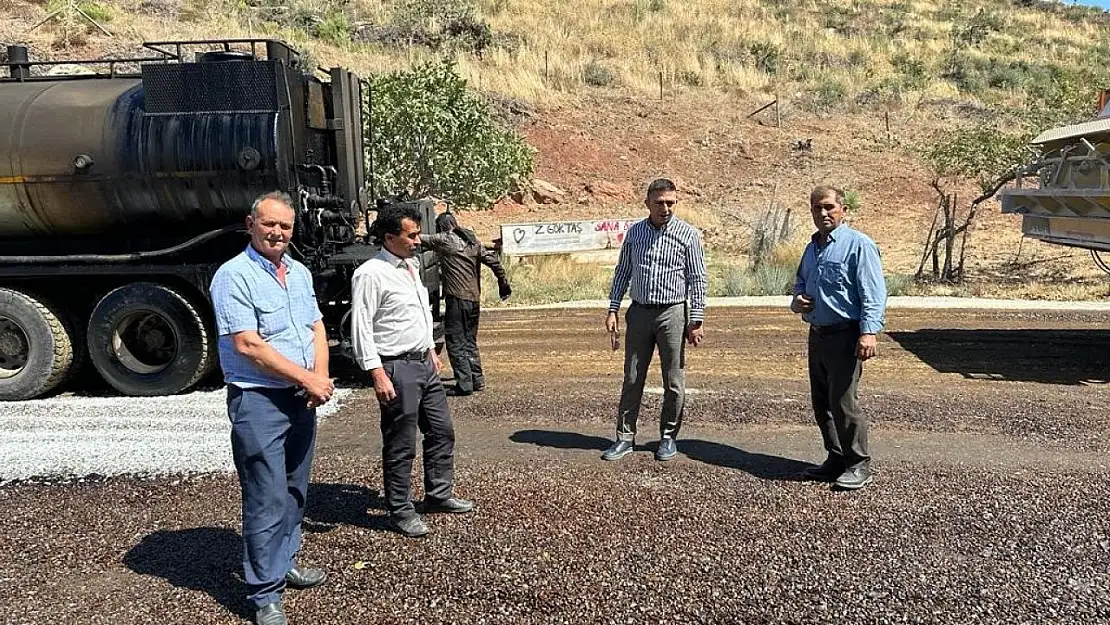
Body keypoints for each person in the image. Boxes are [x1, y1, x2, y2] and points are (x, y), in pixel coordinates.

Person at [209, 191, 334, 625]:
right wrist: (307, 379)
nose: (277, 233)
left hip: (302, 397)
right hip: (259, 398)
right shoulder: (234, 275)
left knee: (296, 489)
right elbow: (247, 345)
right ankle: (264, 594)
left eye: (285, 227)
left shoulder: (298, 272)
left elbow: (316, 325)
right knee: (265, 495)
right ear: (251, 224)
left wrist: (318, 375)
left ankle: (285, 561)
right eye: (269, 225)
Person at [349, 203, 473, 539]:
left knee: (441, 430)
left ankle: (438, 494)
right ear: (390, 237)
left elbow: (418, 312)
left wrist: (431, 350)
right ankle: (400, 509)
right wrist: (376, 373)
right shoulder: (370, 274)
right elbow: (361, 327)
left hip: (423, 362)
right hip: (395, 366)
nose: (419, 241)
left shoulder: (411, 265)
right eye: (412, 235)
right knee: (401, 442)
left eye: (418, 234)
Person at [601, 178, 708, 462]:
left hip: (673, 313)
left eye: (670, 203)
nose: (665, 208)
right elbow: (622, 272)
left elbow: (697, 279)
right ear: (647, 202)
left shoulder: (688, 235)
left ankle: (668, 437)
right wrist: (613, 309)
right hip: (639, 312)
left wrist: (696, 319)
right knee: (633, 377)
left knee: (674, 380)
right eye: (659, 202)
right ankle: (624, 437)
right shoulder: (635, 234)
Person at [790, 185, 887, 491]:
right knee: (822, 402)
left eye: (829, 207)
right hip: (818, 334)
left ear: (843, 209)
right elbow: (801, 281)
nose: (823, 213)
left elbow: (873, 292)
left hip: (846, 336)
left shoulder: (859, 245)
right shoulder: (812, 248)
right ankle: (836, 458)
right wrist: (797, 301)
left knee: (844, 402)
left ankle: (858, 463)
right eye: (817, 208)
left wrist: (868, 332)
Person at [421, 210, 512, 396]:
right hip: (474, 300)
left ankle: (464, 384)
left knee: (455, 341)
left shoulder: (445, 239)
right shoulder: (472, 241)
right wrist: (503, 283)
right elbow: (494, 262)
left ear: (441, 227)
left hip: (457, 299)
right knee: (470, 341)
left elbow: (418, 238)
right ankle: (477, 380)